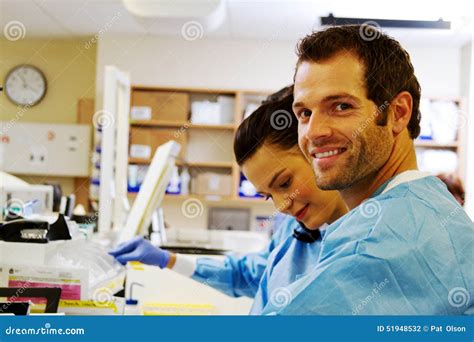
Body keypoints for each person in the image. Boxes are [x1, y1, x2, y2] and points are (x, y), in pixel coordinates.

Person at [255, 24, 474, 315]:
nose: (313, 132)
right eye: (305, 113)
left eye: (341, 106)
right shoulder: (426, 207)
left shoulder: (378, 242)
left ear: (398, 113)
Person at [109, 87, 348, 299]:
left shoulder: (366, 243)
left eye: (284, 183)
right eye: (267, 195)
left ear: (318, 152)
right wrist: (168, 260)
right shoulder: (295, 228)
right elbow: (249, 276)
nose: (281, 206)